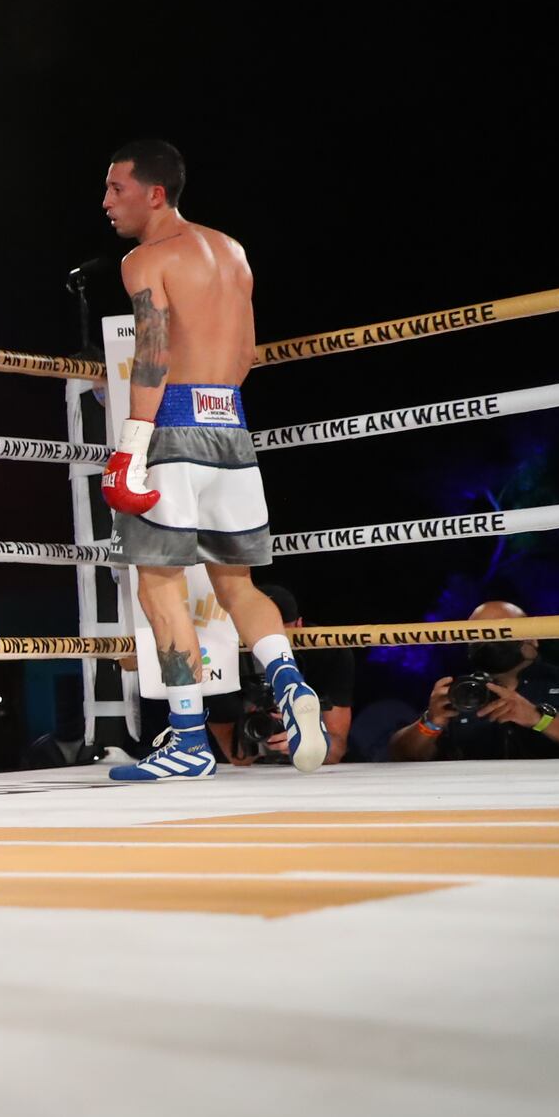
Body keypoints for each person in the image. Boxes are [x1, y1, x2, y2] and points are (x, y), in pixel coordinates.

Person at [97, 138, 324, 782]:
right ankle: (289, 682)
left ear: (155, 193)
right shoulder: (232, 252)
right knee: (237, 585)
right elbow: (246, 352)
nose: (107, 201)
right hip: (230, 423)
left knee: (159, 582)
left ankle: (190, 739)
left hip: (169, 427)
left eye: (117, 189)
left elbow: (152, 353)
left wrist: (132, 446)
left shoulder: (147, 259)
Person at [387, 601, 559, 761]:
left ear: (532, 638)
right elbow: (401, 755)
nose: (489, 640)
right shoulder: (459, 693)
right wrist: (431, 722)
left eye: (501, 631)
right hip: (481, 810)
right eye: (478, 634)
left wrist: (538, 718)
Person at [206, 583, 353, 766]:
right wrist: (256, 727)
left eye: (280, 636)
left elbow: (337, 750)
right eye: (257, 639)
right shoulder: (221, 658)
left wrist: (310, 740)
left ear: (299, 626)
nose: (269, 651)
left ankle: (303, 714)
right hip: (249, 771)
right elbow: (238, 757)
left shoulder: (327, 651)